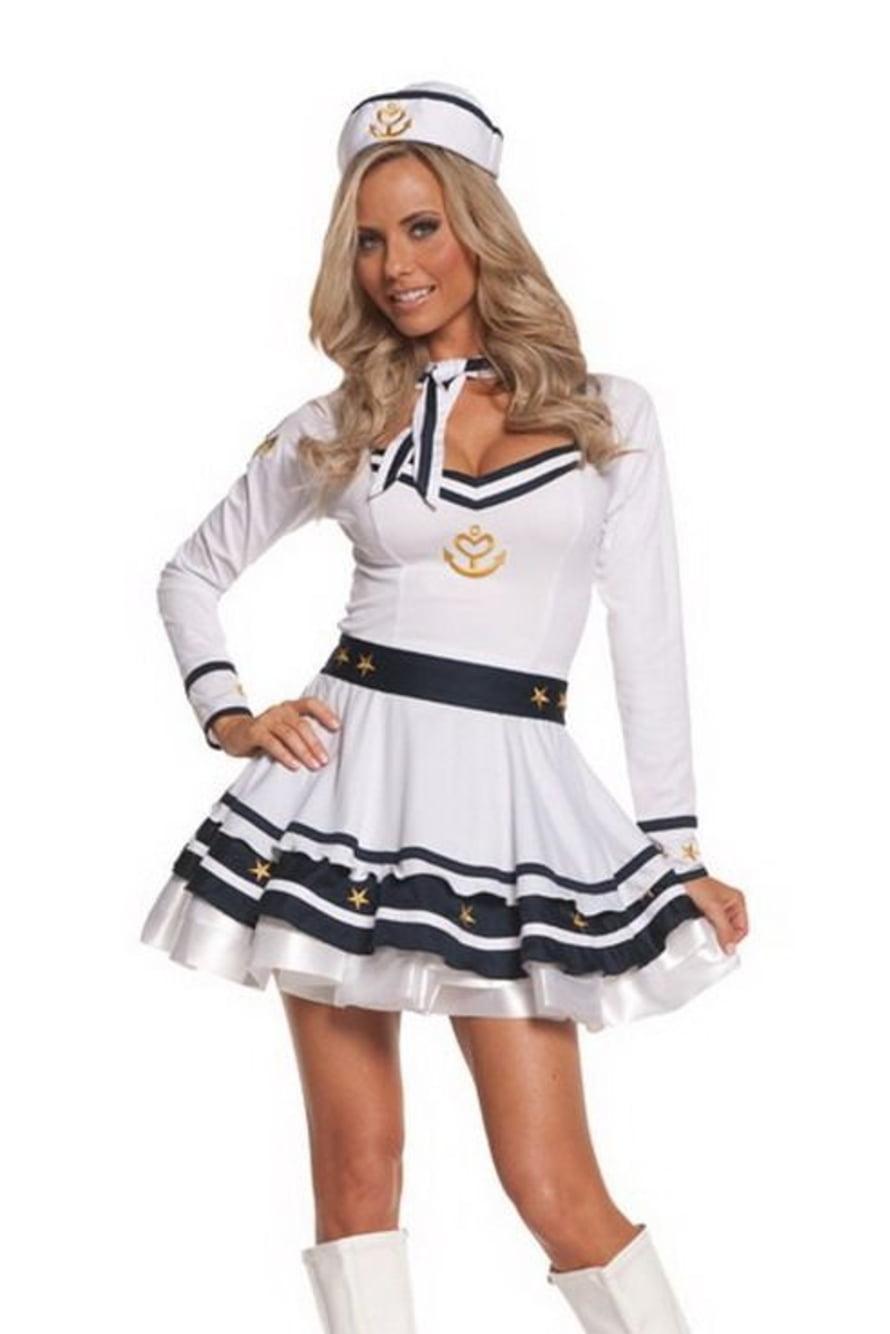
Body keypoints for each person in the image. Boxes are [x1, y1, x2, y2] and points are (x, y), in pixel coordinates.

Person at [139, 80, 748, 1334]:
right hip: (336, 797)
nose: (395, 264)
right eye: (369, 239)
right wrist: (231, 713)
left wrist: (675, 848)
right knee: (357, 1171)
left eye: (421, 227)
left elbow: (648, 637)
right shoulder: (339, 424)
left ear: (479, 229)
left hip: (511, 812)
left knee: (553, 1185)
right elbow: (188, 573)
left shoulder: (608, 414)